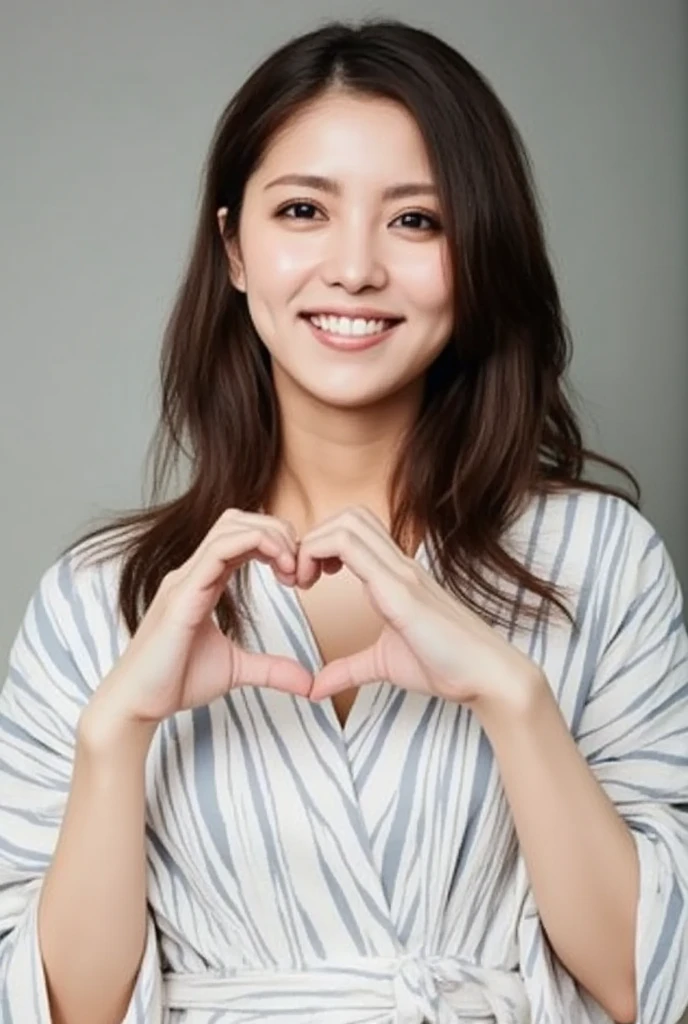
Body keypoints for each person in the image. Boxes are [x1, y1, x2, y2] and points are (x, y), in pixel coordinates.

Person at [0, 15, 686, 1024]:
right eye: (303, 210)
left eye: (416, 220)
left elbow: (657, 981)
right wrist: (117, 734)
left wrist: (510, 695)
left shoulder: (600, 559)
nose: (355, 267)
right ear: (234, 247)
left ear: (477, 254)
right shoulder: (96, 598)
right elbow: (53, 1010)